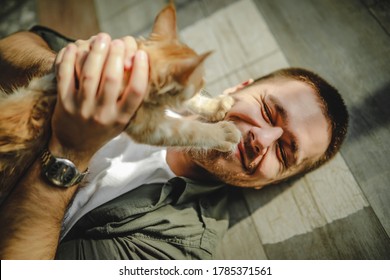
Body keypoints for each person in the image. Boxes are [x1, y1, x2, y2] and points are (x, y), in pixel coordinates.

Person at [0, 27, 348, 260]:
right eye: (269, 111)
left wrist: (70, 154)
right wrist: (61, 70)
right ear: (236, 89)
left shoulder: (182, 249)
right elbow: (16, 46)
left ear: (269, 182)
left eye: (285, 153)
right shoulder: (162, 69)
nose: (262, 139)